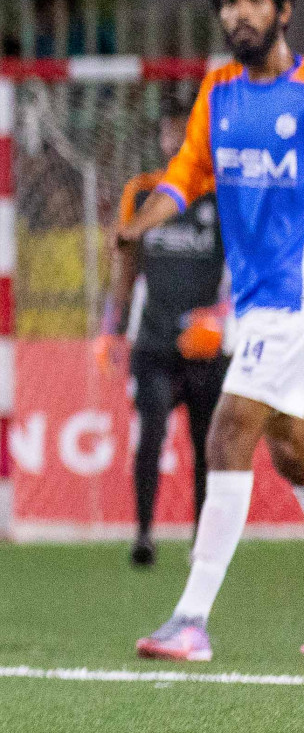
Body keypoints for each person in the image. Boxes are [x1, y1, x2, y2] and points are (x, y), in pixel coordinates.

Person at [121, 0, 304, 662]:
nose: (241, 14)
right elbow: (185, 175)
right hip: (261, 304)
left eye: (255, 0)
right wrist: (140, 223)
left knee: (227, 433)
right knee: (290, 454)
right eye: (229, 4)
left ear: (282, 11)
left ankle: (192, 619)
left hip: (293, 303)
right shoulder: (219, 93)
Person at [98, 103, 228, 568]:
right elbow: (126, 261)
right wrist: (111, 328)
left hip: (206, 345)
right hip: (153, 341)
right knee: (150, 431)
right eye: (168, 133)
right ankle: (144, 534)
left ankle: (202, 539)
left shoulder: (221, 196)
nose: (174, 141)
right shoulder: (144, 193)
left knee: (207, 445)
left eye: (183, 133)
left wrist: (220, 317)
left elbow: (246, 269)